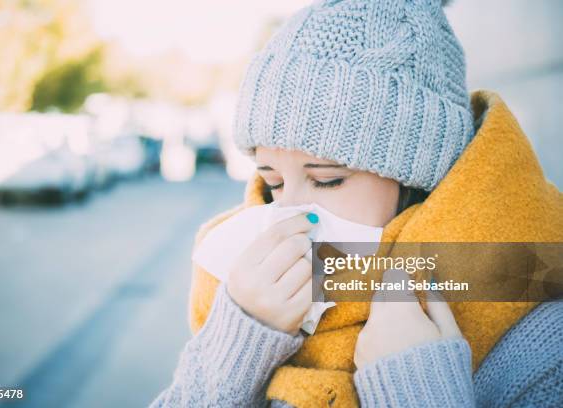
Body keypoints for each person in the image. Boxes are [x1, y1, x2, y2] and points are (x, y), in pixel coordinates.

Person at [149, 0, 563, 406]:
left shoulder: (541, 329)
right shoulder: (241, 290)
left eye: (327, 180)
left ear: (419, 179)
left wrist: (417, 390)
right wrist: (238, 344)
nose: (290, 216)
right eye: (272, 180)